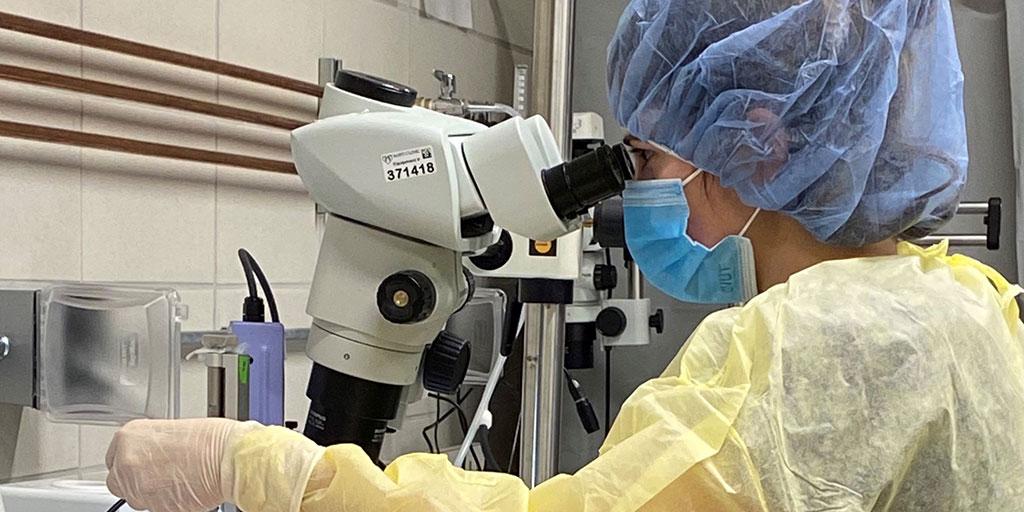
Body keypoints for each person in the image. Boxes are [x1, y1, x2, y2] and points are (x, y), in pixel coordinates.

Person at [105, 0, 1024, 510]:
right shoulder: (973, 306)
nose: (642, 189)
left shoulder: (811, 353)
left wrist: (259, 469)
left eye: (652, 152)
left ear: (759, 135)